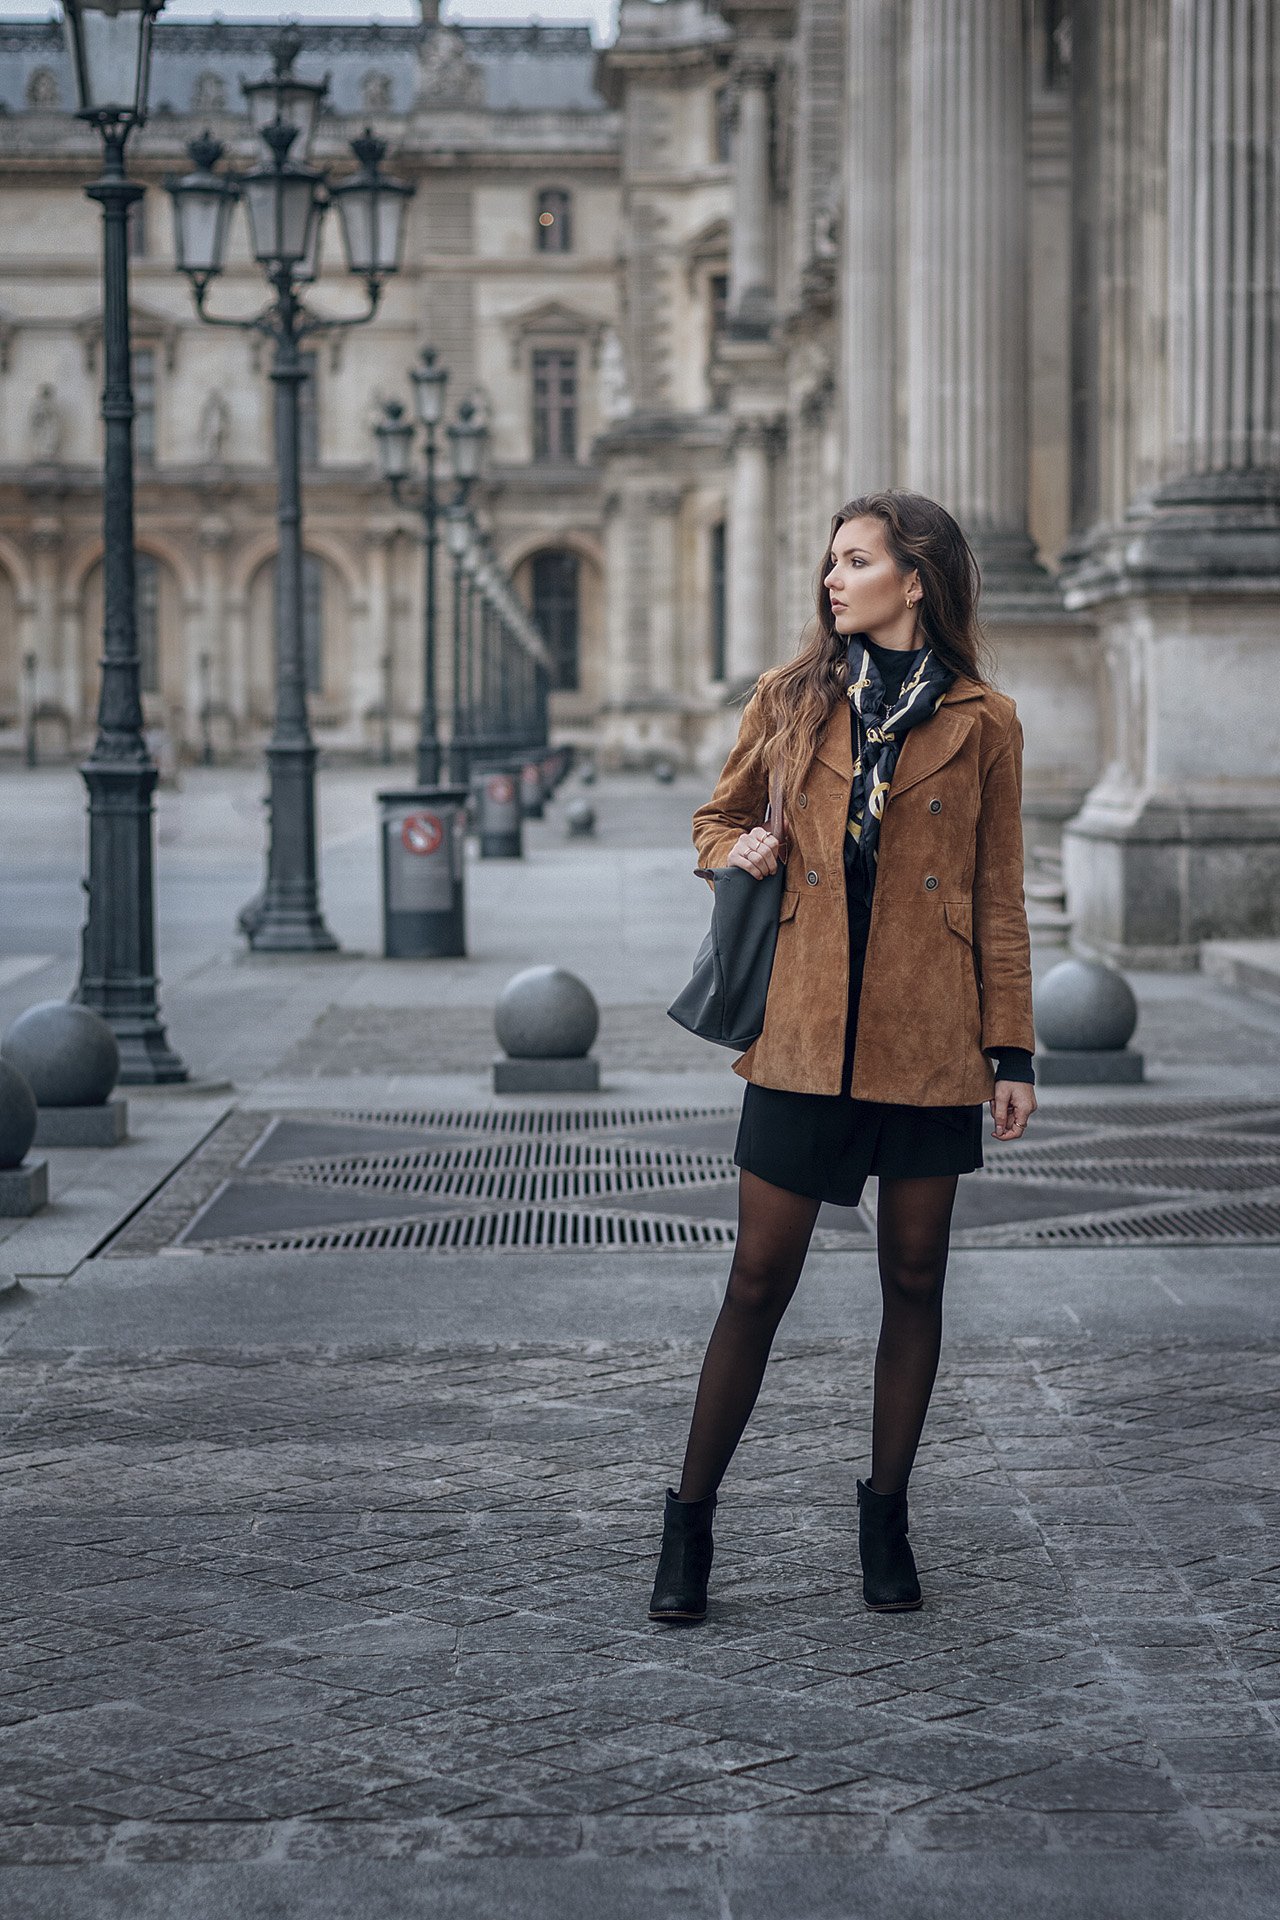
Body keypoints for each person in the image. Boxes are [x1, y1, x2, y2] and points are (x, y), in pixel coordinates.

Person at [649, 489, 1037, 1621]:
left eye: (854, 560)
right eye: (829, 562)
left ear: (914, 581)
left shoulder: (984, 720)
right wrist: (744, 850)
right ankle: (687, 1523)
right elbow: (710, 822)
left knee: (913, 1279)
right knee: (754, 1283)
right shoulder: (789, 699)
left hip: (927, 1039)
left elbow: (997, 896)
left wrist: (1007, 1051)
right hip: (804, 1034)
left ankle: (884, 1515)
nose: (831, 579)